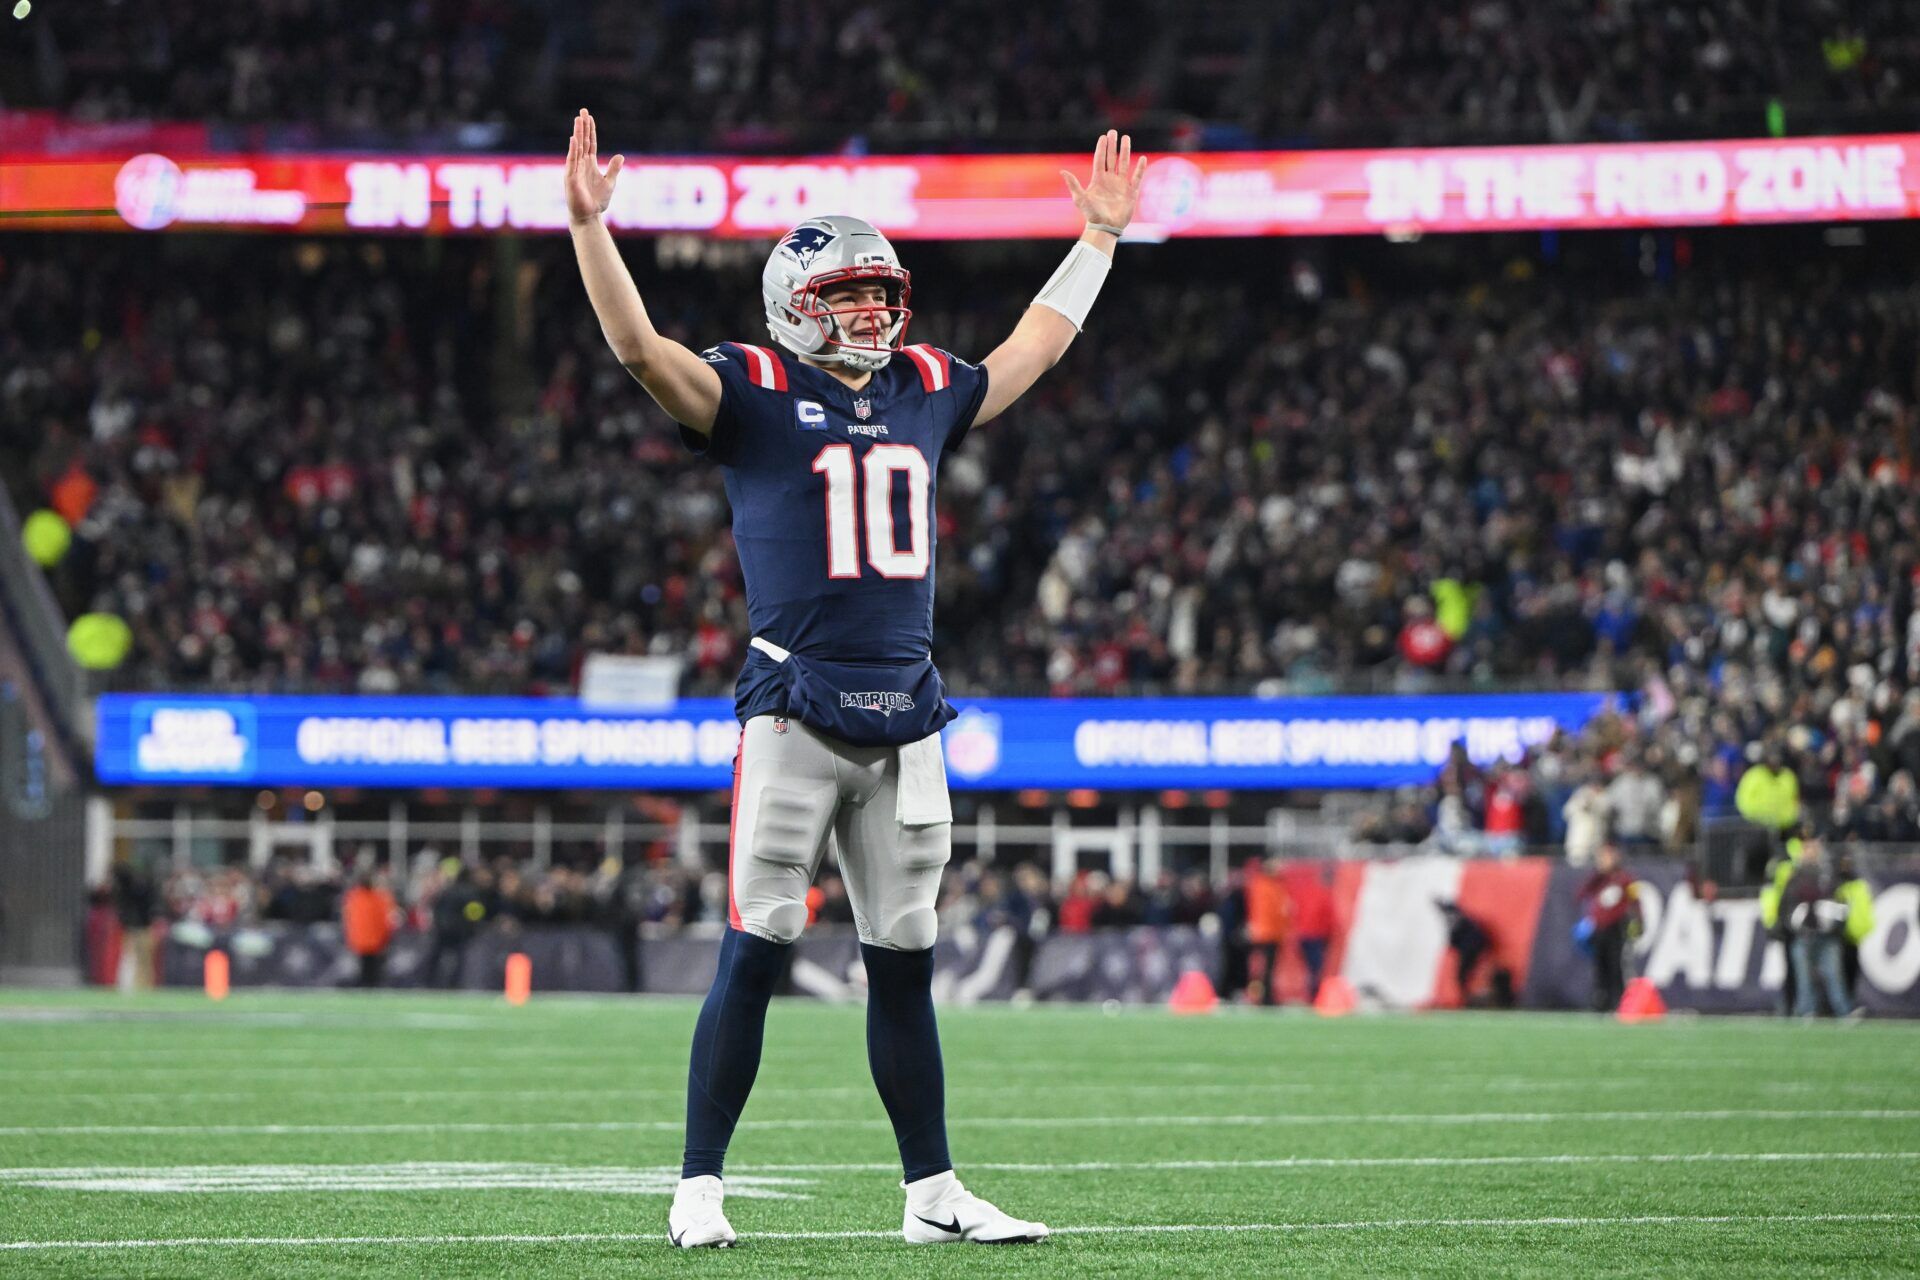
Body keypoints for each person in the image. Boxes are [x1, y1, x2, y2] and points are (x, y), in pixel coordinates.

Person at [564, 108, 1145, 1248]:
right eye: (848, 294)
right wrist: (592, 229)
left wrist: (1099, 244)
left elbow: (1030, 350)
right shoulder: (751, 391)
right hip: (795, 706)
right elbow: (640, 351)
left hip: (908, 709)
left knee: (905, 959)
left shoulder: (926, 382)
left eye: (883, 292)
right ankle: (697, 1187)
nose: (873, 311)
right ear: (793, 301)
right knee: (757, 943)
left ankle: (933, 1192)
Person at [1576, 843, 1639, 1013]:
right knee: (1600, 965)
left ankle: (1618, 1000)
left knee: (1616, 964)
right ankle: (1600, 1000)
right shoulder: (1599, 880)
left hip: (1616, 928)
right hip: (1599, 928)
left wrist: (1638, 921)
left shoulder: (1626, 879)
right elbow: (1581, 893)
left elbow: (1635, 900)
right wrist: (1597, 875)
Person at [340, 872, 398, 989]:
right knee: (373, 968)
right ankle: (371, 986)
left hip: (362, 939)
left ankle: (365, 986)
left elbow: (348, 919)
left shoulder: (353, 897)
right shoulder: (380, 897)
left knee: (365, 967)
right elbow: (387, 919)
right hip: (376, 939)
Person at [1834, 852, 1875, 1014]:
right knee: (1837, 972)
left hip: (1853, 935)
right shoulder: (1836, 884)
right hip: (1837, 935)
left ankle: (1848, 1004)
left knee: (1851, 969)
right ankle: (1842, 1006)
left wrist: (1862, 928)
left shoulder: (1858, 885)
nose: (1846, 867)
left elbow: (1864, 909)